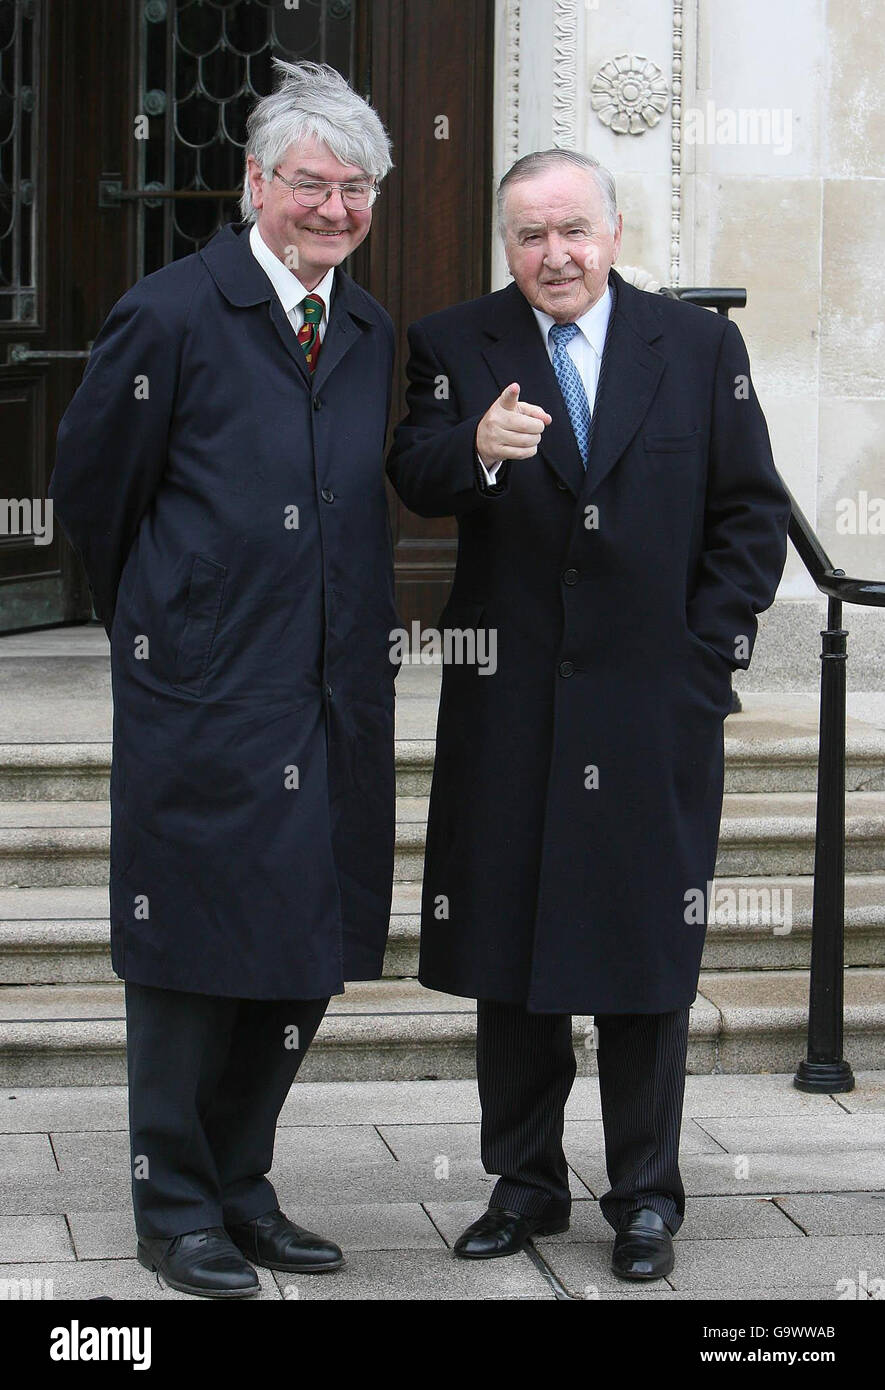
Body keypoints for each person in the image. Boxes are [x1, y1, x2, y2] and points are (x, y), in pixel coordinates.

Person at [387, 149, 790, 1280]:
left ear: (613, 232)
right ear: (505, 246)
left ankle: (646, 1197)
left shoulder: (699, 346)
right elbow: (412, 468)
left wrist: (704, 657)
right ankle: (523, 1188)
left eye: (573, 231)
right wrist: (474, 448)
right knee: (511, 956)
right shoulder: (456, 341)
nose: (553, 255)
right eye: (529, 235)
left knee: (645, 955)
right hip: (510, 703)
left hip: (652, 708)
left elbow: (750, 513)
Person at [50, 61, 397, 1299]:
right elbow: (97, 492)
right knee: (193, 950)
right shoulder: (172, 311)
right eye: (312, 182)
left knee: (306, 948)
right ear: (258, 180)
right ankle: (176, 1204)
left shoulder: (366, 327)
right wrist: (165, 625)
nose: (335, 207)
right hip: (205, 692)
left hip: (333, 693)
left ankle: (244, 1183)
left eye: (357, 188)